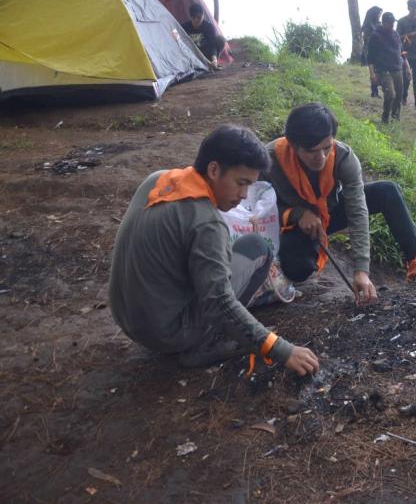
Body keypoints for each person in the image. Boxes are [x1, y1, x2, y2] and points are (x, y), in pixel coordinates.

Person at [109, 124, 319, 375]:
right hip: (165, 334)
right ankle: (201, 346)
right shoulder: (207, 222)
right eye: (240, 183)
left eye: (249, 186)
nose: (243, 195)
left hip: (128, 318)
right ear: (213, 169)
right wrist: (281, 350)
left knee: (241, 248)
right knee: (258, 248)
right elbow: (220, 303)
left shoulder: (159, 180)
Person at [264, 103, 416, 306]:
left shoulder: (343, 157)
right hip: (292, 226)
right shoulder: (270, 160)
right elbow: (253, 212)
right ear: (293, 145)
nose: (321, 157)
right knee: (299, 269)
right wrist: (295, 214)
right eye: (312, 151)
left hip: (329, 214)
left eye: (326, 147)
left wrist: (361, 271)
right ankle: (304, 251)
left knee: (387, 190)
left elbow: (357, 210)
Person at [367, 12, 406, 124]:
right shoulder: (375, 36)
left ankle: (395, 118)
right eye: (390, 23)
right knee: (390, 94)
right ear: (384, 22)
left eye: (393, 22)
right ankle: (385, 118)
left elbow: (401, 51)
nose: (392, 25)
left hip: (397, 69)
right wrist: (372, 74)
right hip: (384, 70)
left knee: (399, 95)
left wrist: (407, 67)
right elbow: (370, 57)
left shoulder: (395, 34)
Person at [396, 0, 416, 109]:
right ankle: (403, 98)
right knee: (405, 79)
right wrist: (409, 35)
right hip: (406, 56)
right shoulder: (401, 21)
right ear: (408, 8)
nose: (415, 10)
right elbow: (397, 37)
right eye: (413, 8)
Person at [180, 3, 222, 68]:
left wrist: (214, 59)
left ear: (203, 15)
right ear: (190, 17)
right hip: (191, 55)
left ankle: (213, 63)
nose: (196, 20)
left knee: (220, 39)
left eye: (199, 17)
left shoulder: (209, 27)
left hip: (206, 54)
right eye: (194, 17)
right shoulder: (184, 27)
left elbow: (212, 45)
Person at [361, 6, 383, 98]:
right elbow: (366, 39)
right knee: (373, 70)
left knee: (378, 70)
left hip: (379, 49)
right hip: (370, 49)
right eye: (379, 14)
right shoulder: (367, 25)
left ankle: (377, 90)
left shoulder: (379, 24)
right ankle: (374, 91)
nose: (380, 16)